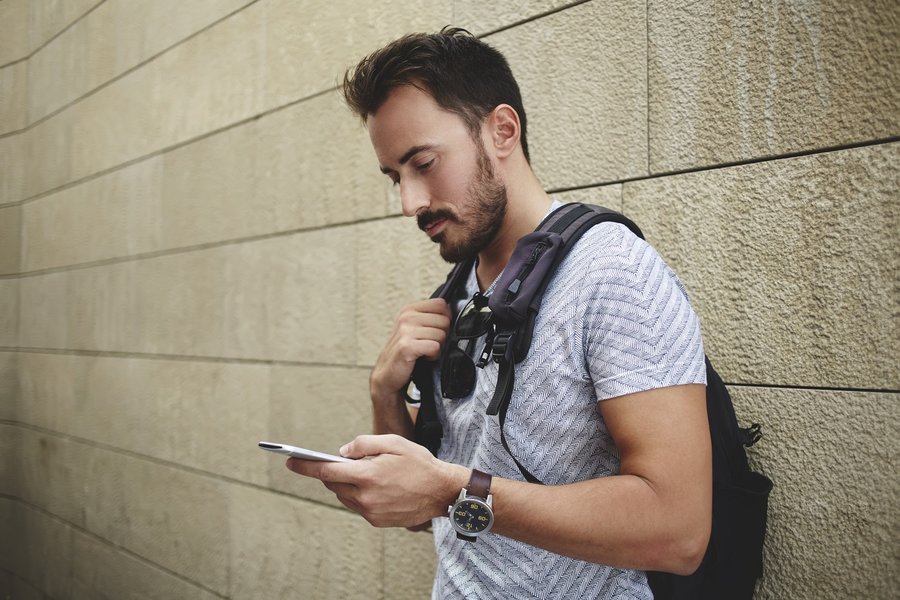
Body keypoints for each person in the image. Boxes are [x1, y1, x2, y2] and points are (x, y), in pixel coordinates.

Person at [287, 27, 712, 599]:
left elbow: (679, 532)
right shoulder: (459, 292)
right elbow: (422, 508)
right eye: (395, 177)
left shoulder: (613, 274)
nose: (410, 203)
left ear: (501, 131)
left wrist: (451, 491)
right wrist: (385, 393)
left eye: (424, 163)